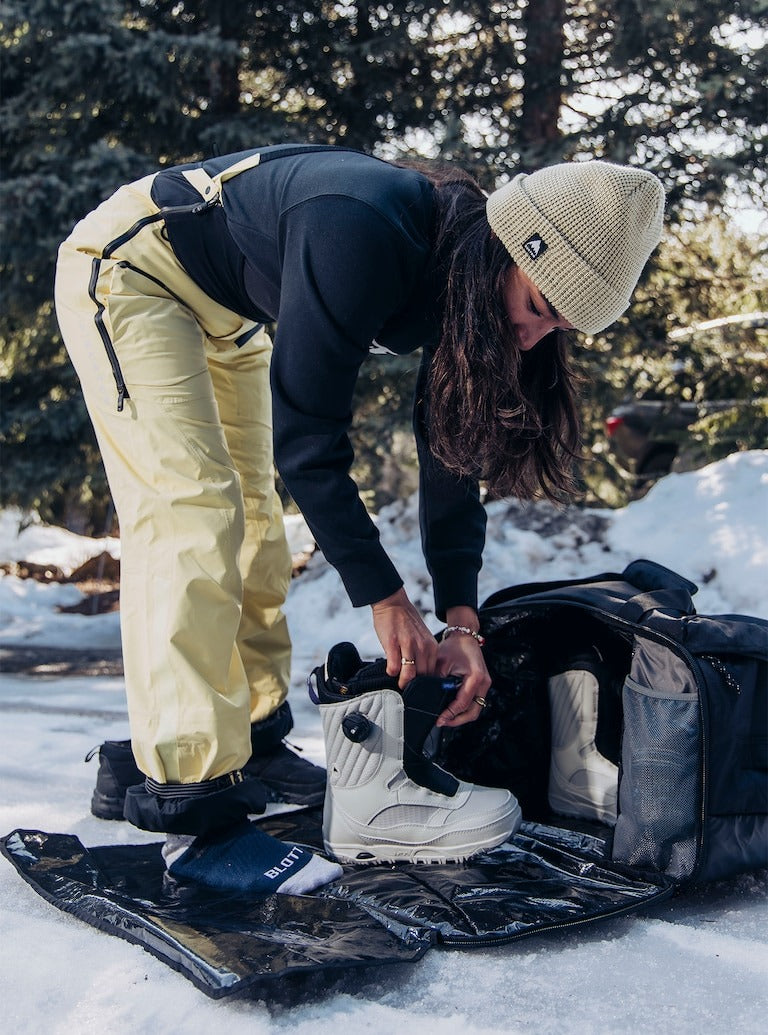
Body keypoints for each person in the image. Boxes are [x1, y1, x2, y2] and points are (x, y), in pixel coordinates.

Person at [55, 144, 664, 890]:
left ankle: (253, 739)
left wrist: (462, 622)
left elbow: (451, 456)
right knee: (193, 515)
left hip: (229, 318)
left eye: (558, 327)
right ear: (511, 247)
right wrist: (385, 597)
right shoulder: (358, 227)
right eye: (538, 307)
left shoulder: (467, 280)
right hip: (134, 270)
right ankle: (192, 804)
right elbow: (309, 443)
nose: (533, 337)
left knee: (254, 525)